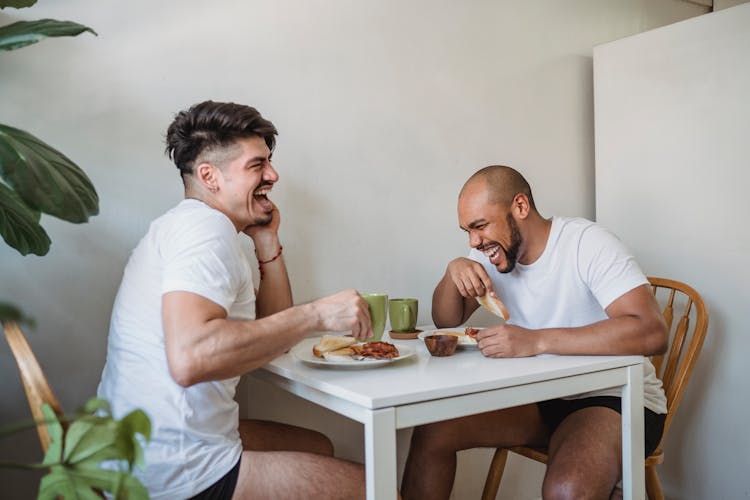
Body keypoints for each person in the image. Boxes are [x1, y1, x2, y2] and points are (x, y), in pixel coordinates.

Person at [97, 101, 371, 499]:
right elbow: (191, 357)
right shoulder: (203, 232)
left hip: (134, 452)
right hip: (171, 472)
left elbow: (273, 340)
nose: (273, 175)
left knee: (318, 446)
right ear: (210, 176)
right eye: (257, 165)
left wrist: (266, 240)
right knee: (376, 489)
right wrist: (315, 314)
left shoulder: (192, 226)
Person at [402, 165, 668, 500]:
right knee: (433, 429)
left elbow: (652, 333)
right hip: (541, 398)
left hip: (617, 399)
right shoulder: (490, 251)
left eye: (479, 226)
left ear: (521, 207)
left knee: (567, 489)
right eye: (467, 231)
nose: (474, 241)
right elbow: (447, 320)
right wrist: (453, 271)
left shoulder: (586, 243)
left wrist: (537, 340)